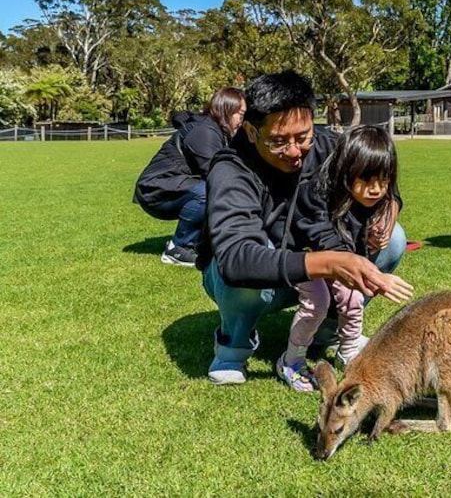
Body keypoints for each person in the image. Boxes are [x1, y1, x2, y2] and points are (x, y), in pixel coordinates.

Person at [196, 70, 412, 386]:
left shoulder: (327, 146)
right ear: (252, 132)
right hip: (252, 276)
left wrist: (390, 207)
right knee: (246, 267)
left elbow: (376, 174)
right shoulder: (231, 168)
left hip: (315, 259)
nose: (295, 151)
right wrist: (331, 263)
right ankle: (233, 345)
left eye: (303, 137)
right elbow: (235, 259)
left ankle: (328, 331)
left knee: (394, 239)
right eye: (279, 141)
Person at [279, 125, 401, 391]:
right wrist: (371, 273)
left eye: (383, 180)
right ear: (346, 171)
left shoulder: (371, 196)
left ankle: (347, 348)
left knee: (354, 296)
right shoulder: (317, 191)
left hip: (338, 256)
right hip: (305, 255)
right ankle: (292, 359)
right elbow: (321, 239)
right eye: (367, 181)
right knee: (317, 302)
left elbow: (393, 197)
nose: (376, 189)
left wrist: (384, 222)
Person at [133, 87, 246, 266]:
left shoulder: (218, 133)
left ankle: (201, 243)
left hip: (174, 185)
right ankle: (178, 248)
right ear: (227, 110)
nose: (242, 120)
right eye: (241, 114)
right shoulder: (204, 132)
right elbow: (216, 173)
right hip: (155, 189)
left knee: (214, 190)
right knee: (209, 191)